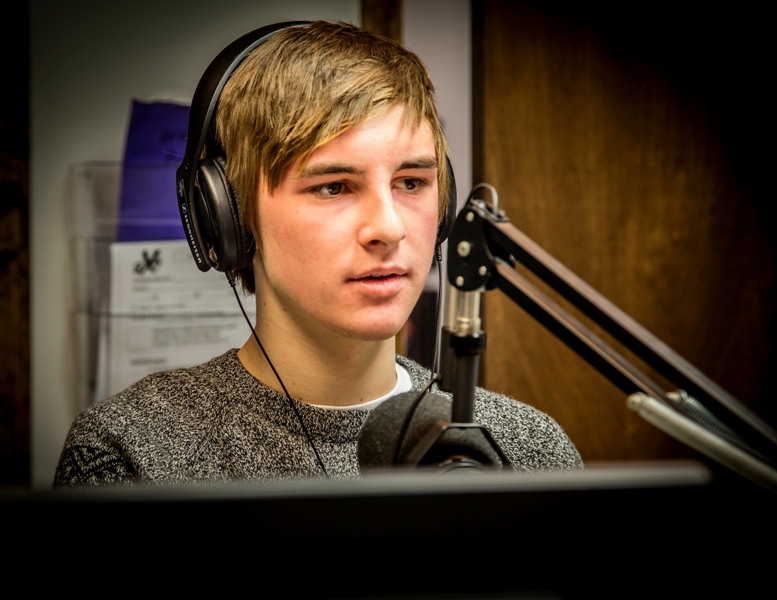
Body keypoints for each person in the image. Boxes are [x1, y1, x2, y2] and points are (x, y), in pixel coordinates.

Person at [54, 21, 582, 485]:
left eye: (412, 182)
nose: (389, 228)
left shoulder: (527, 450)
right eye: (333, 186)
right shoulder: (128, 454)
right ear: (230, 218)